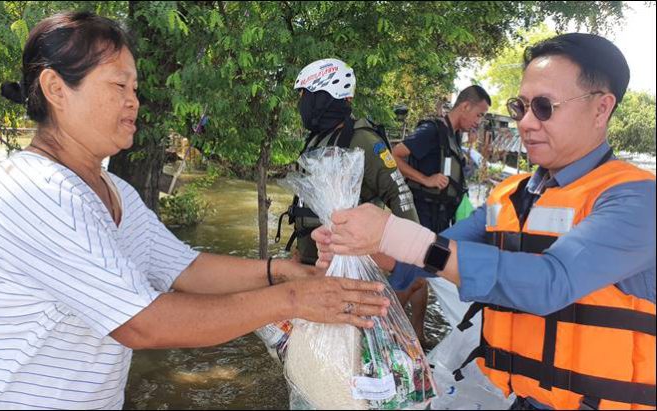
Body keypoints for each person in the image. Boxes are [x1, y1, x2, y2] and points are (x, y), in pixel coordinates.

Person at [0, 12, 390, 409]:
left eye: (136, 89)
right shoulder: (35, 191)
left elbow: (187, 268)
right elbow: (142, 323)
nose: (134, 102)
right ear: (56, 89)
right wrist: (293, 300)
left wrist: (285, 273)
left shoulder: (112, 189)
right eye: (118, 86)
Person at [312, 33, 655, 410]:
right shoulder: (510, 195)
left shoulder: (636, 199)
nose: (526, 123)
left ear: (601, 108)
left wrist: (398, 234)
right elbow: (428, 258)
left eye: (544, 107)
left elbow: (552, 282)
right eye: (519, 106)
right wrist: (363, 248)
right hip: (517, 399)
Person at [280, 58, 425, 343]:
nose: (302, 105)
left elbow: (399, 195)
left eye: (306, 97)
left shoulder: (364, 141)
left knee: (350, 347)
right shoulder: (316, 140)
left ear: (325, 97)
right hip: (312, 264)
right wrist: (298, 253)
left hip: (347, 270)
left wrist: (403, 253)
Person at [392, 85, 490, 233]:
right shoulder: (431, 130)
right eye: (479, 115)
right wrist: (425, 179)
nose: (479, 122)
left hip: (440, 218)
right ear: (466, 106)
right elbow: (394, 156)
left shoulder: (453, 135)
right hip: (423, 218)